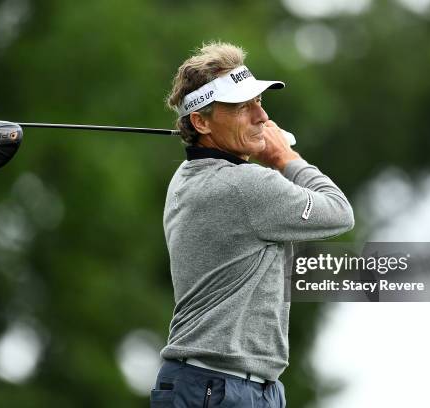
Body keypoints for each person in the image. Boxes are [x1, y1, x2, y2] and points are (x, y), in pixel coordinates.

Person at [151, 41, 354, 408]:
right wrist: (284, 157)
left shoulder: (186, 176)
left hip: (221, 384)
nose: (261, 117)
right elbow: (339, 211)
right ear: (200, 121)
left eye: (259, 101)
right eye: (242, 107)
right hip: (219, 387)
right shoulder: (246, 186)